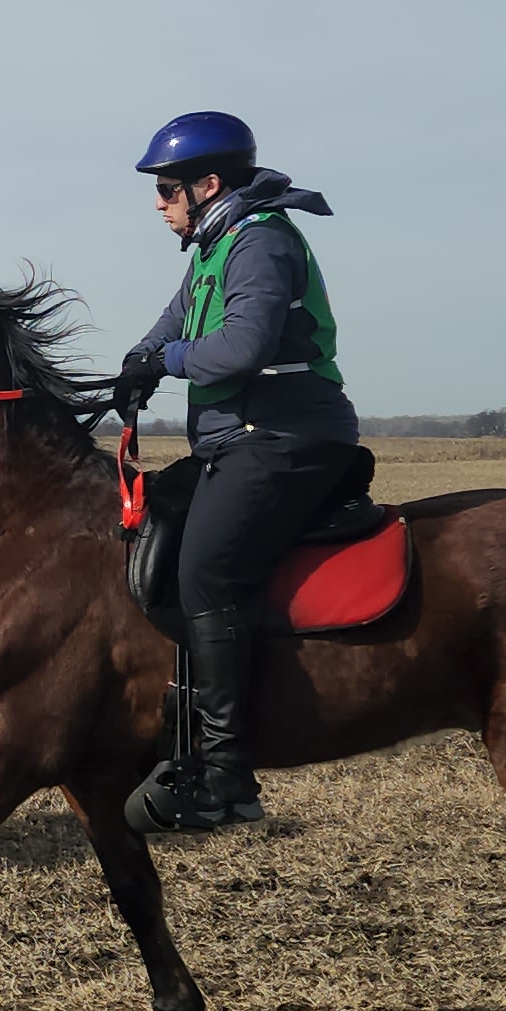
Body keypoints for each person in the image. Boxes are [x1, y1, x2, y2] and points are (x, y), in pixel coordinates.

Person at [105, 110, 361, 834]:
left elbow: (238, 349)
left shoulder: (261, 242)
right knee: (155, 541)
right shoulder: (213, 248)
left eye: (166, 189)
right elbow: (173, 322)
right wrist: (137, 361)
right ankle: (179, 735)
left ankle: (226, 776)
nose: (158, 203)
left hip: (286, 435)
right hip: (238, 439)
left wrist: (167, 361)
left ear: (207, 185)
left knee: (205, 574)